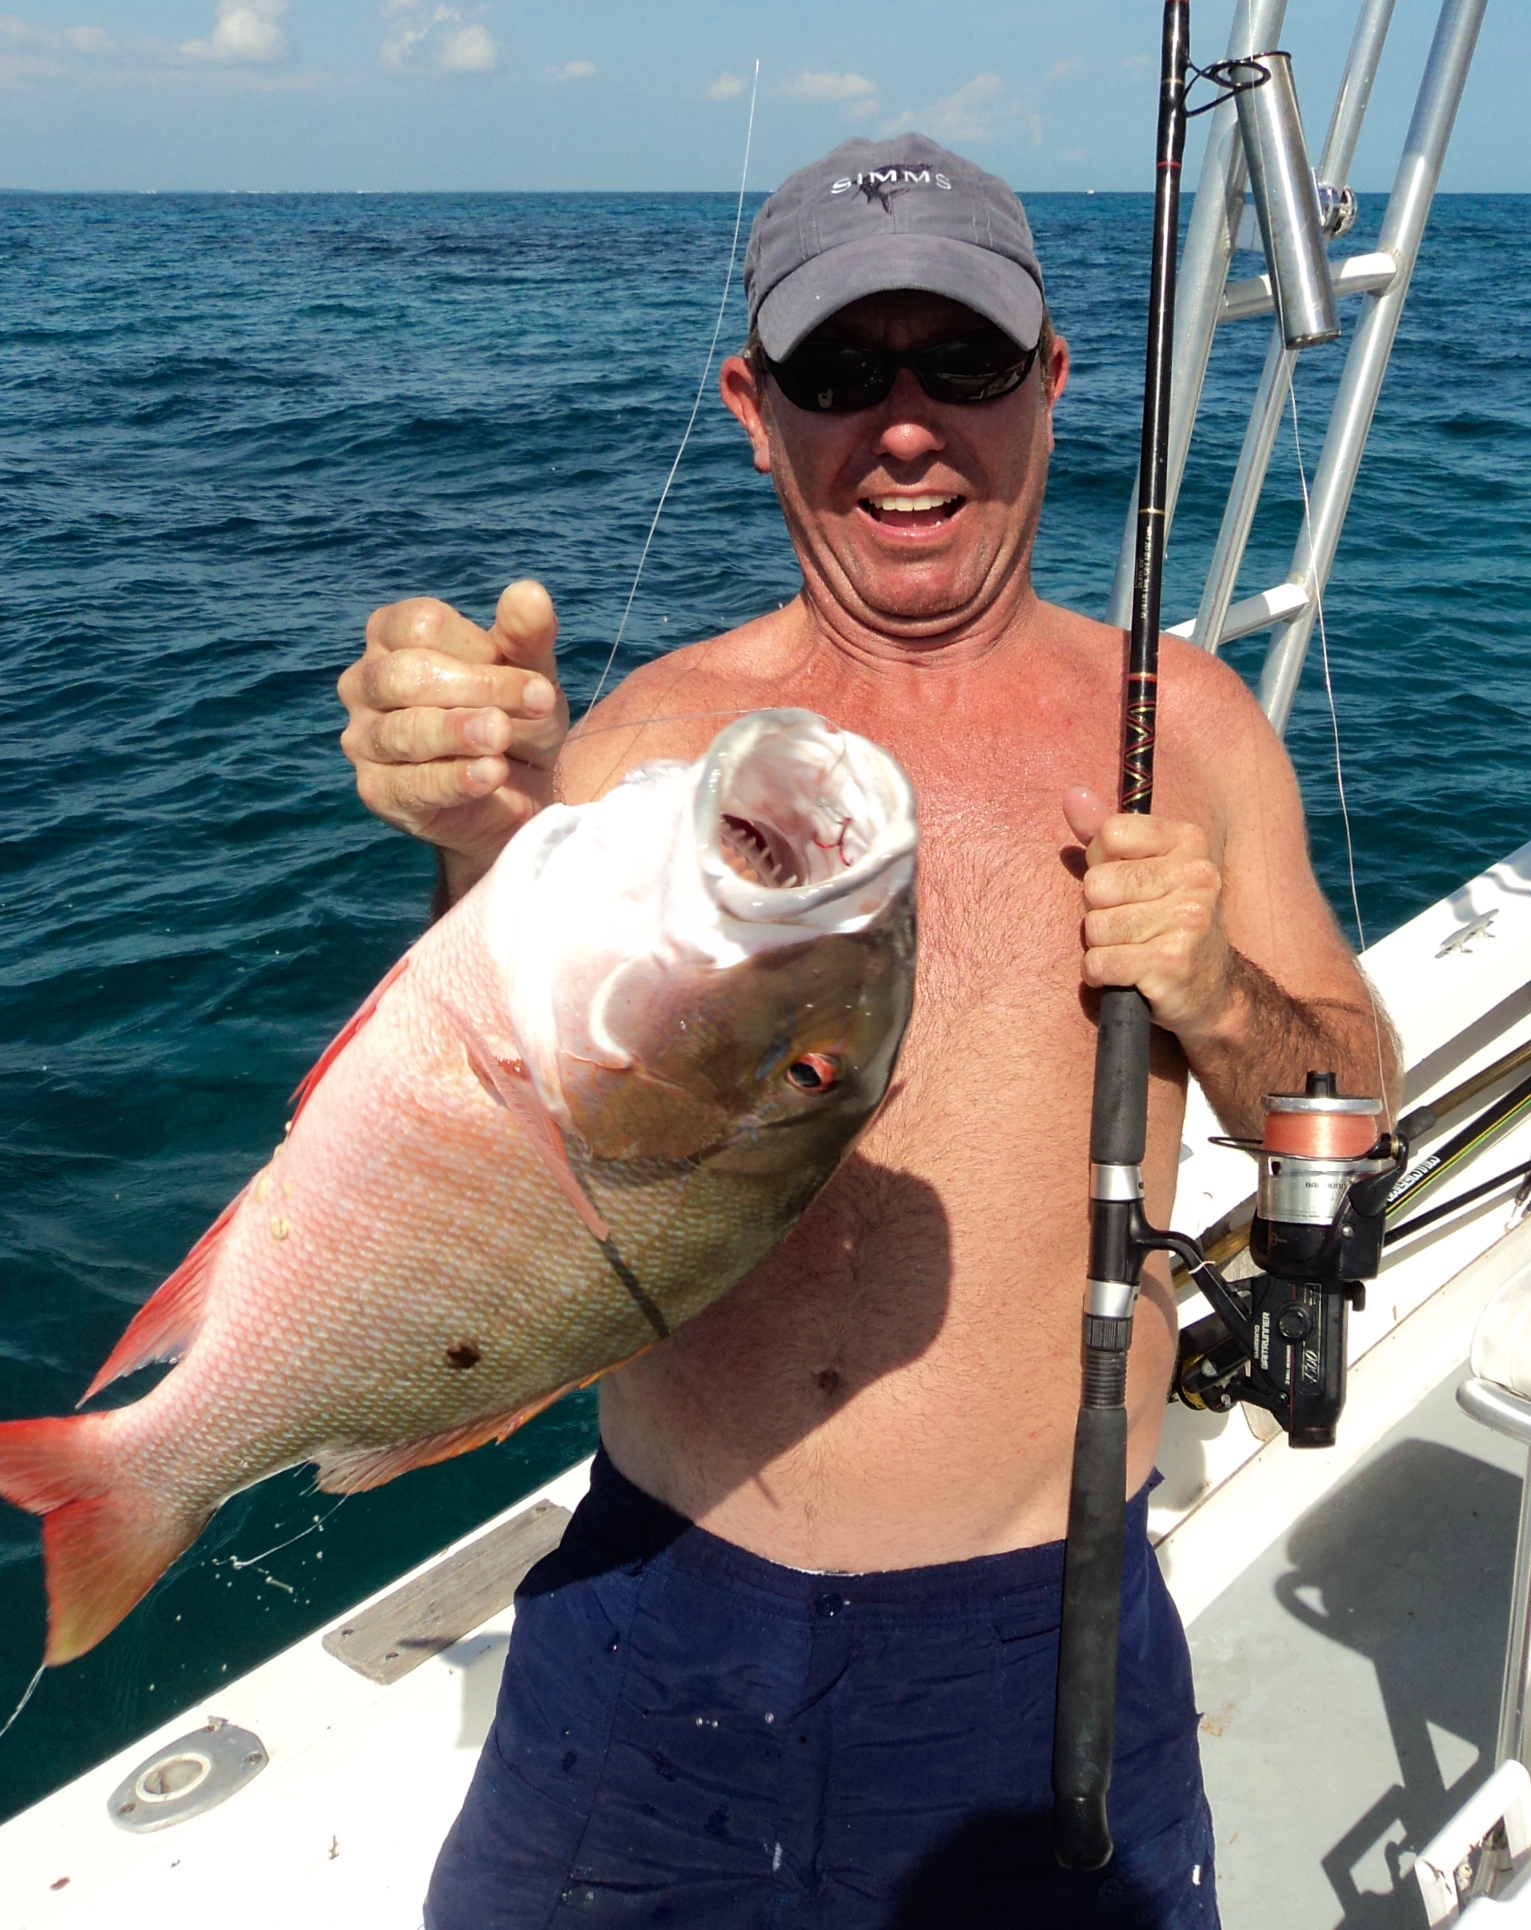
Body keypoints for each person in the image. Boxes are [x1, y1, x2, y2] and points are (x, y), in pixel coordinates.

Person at [338, 136, 1396, 1928]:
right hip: (656, 1600)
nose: (905, 426)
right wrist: (474, 846)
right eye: (843, 372)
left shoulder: (1191, 726)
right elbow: (474, 1123)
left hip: (1042, 1633)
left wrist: (1213, 982)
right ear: (756, 409)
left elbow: (1347, 1104)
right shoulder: (644, 752)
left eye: (961, 363)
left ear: (1050, 386)